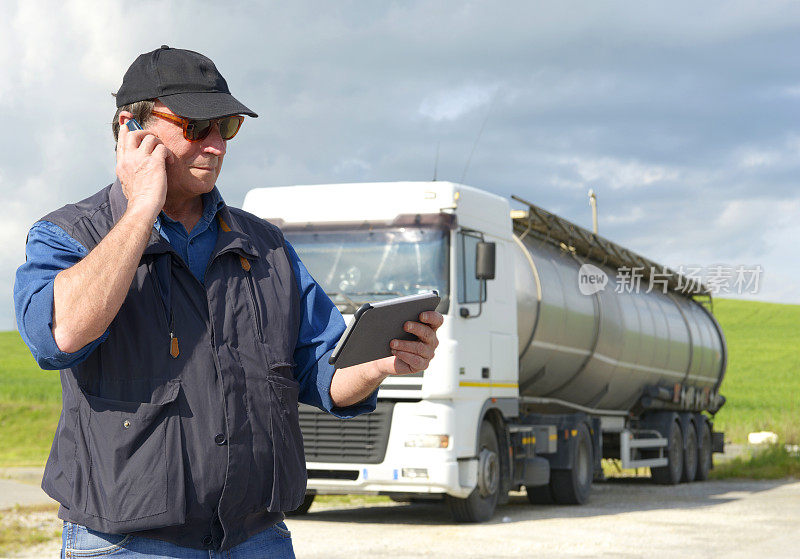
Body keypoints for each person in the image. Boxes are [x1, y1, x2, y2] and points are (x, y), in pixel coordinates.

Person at [12, 46, 442, 558]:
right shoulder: (68, 235)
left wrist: (379, 364)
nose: (216, 145)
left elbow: (325, 372)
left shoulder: (266, 246)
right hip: (128, 545)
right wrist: (141, 208)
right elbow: (57, 335)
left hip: (257, 537)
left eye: (228, 126)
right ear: (132, 129)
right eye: (197, 126)